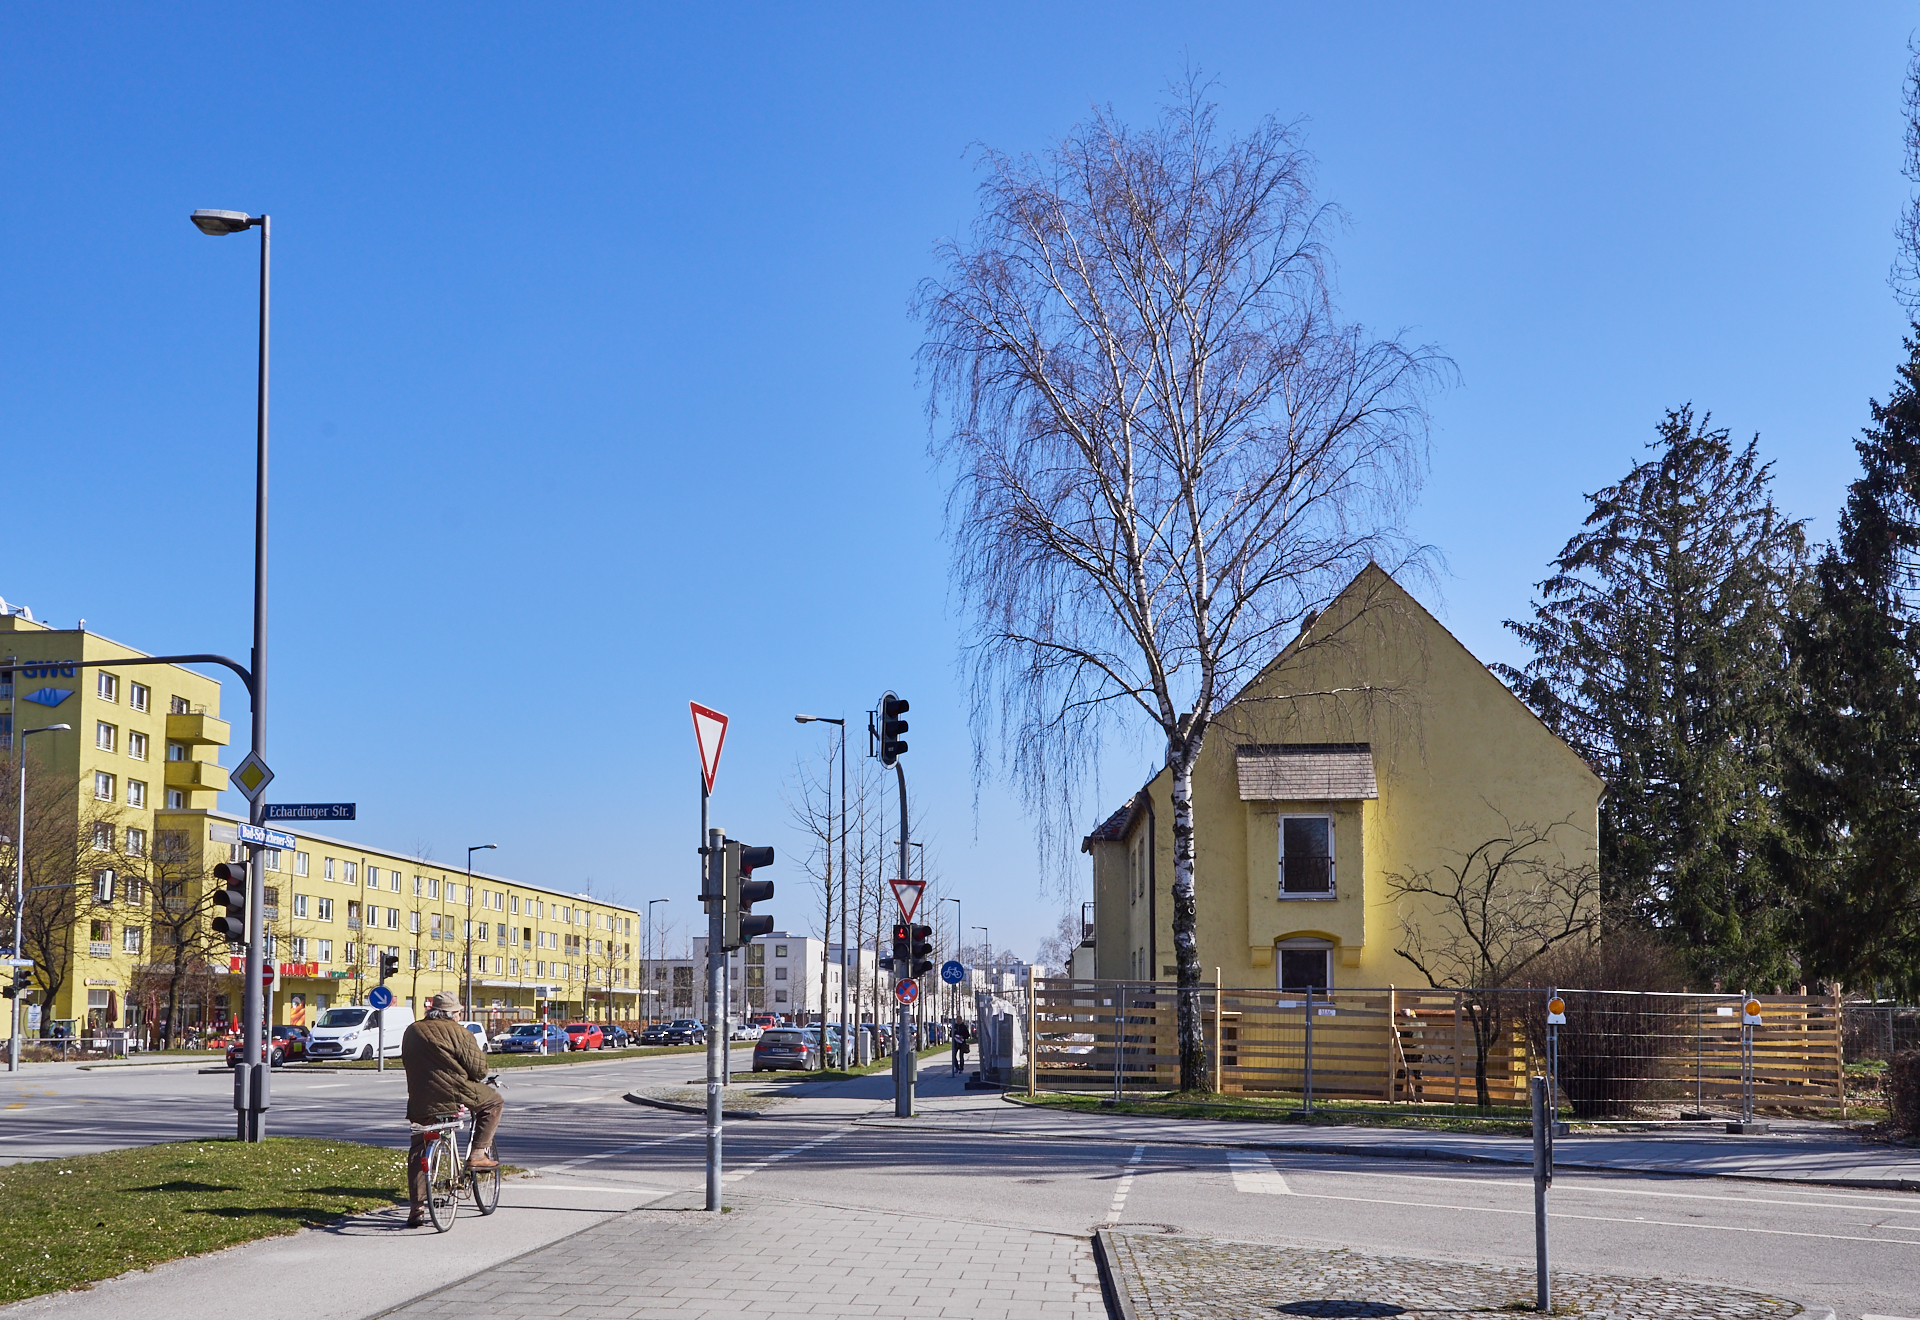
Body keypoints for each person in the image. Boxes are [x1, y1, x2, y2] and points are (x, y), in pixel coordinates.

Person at [401, 992, 501, 1228]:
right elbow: (479, 1071)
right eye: (458, 1012)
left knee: (419, 1146)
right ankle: (477, 1154)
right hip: (456, 1093)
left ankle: (416, 1208)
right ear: (451, 1014)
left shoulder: (412, 1030)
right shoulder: (460, 1033)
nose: (459, 1016)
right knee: (494, 1103)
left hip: (420, 1097)